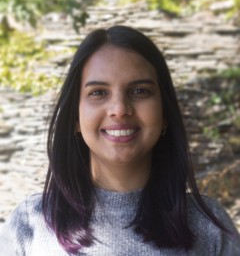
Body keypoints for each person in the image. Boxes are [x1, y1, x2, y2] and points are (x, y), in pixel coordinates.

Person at [0, 25, 240, 256]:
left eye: (139, 91)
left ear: (164, 114)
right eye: (98, 92)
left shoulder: (211, 229)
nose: (119, 109)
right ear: (75, 117)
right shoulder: (28, 225)